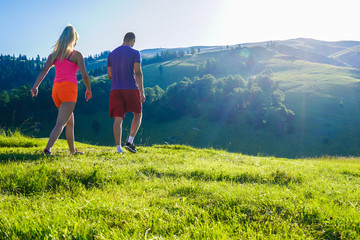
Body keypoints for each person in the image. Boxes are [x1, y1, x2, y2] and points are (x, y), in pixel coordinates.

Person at [30, 24, 92, 155]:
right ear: (73, 39)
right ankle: (47, 149)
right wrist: (88, 88)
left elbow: (44, 70)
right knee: (61, 123)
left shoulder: (54, 55)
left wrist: (35, 86)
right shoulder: (76, 55)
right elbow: (85, 74)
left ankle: (72, 151)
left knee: (70, 122)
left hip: (56, 91)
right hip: (69, 90)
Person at [107, 32, 145, 154]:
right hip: (130, 88)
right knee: (138, 114)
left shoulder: (111, 54)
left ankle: (118, 149)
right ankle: (130, 141)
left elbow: (109, 75)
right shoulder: (135, 53)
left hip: (115, 90)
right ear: (132, 40)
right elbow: (138, 73)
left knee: (118, 118)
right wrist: (142, 92)